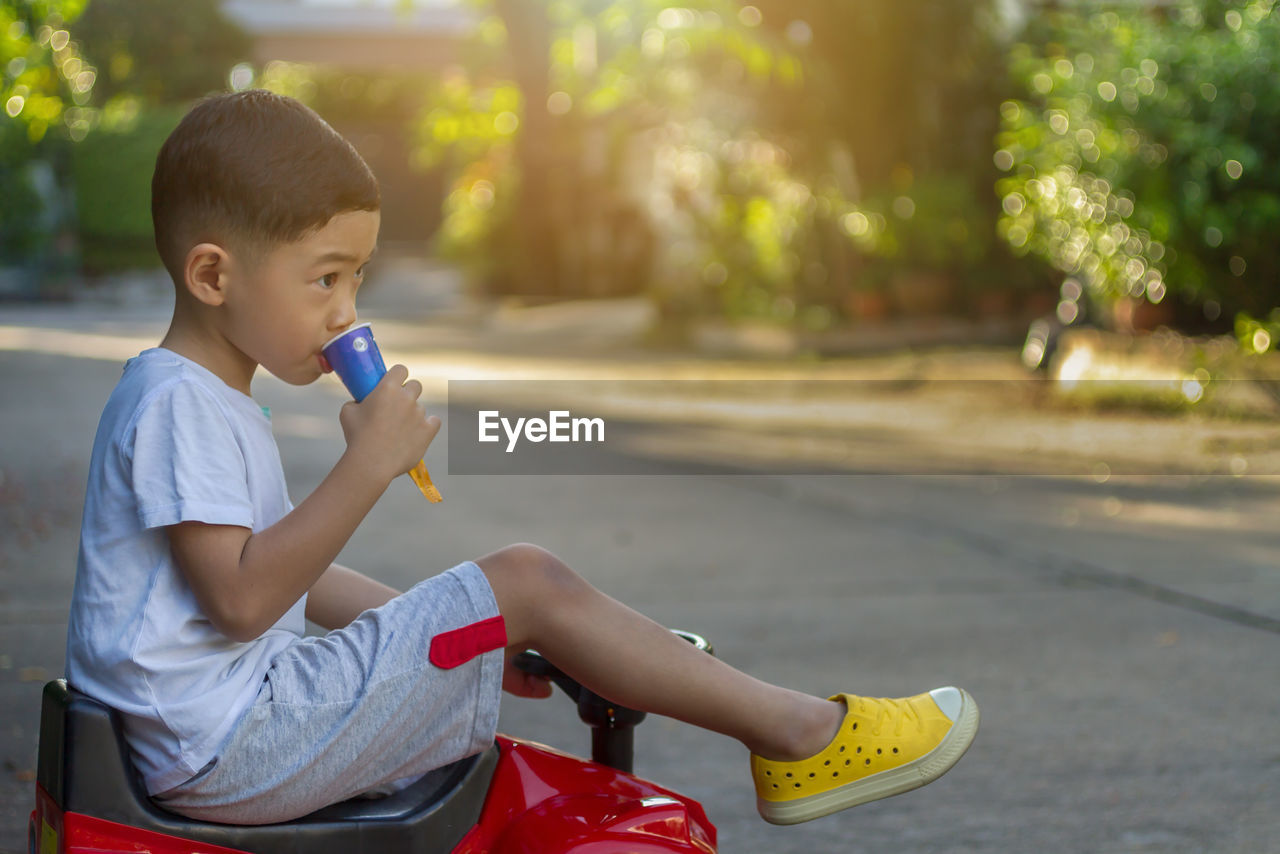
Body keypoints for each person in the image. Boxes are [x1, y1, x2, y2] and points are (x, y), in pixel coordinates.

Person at [64, 89, 978, 828]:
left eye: (357, 278)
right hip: (232, 743)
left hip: (221, 728)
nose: (347, 312)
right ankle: (800, 734)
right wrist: (369, 468)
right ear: (214, 276)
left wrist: (469, 640)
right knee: (528, 578)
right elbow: (241, 598)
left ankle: (789, 730)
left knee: (512, 603)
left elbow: (289, 580)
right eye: (324, 277)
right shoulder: (179, 403)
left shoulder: (202, 395)